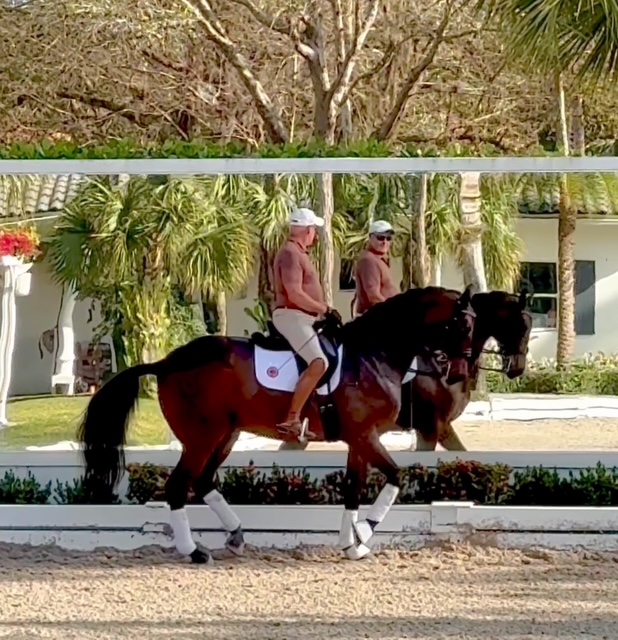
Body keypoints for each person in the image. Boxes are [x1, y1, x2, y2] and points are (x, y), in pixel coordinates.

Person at [271, 206, 331, 440]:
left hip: (305, 317)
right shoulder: (290, 253)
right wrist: (323, 308)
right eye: (314, 230)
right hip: (291, 315)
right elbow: (294, 293)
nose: (314, 235)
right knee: (318, 362)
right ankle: (292, 418)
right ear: (308, 230)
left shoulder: (298, 253)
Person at [353, 220, 400, 317]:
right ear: (370, 237)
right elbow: (373, 296)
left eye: (388, 238)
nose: (385, 242)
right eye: (380, 238)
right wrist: (396, 312)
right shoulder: (369, 260)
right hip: (376, 318)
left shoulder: (378, 259)